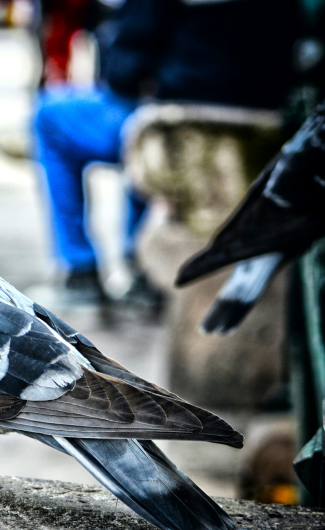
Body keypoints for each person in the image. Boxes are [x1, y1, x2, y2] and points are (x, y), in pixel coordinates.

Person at [33, 0, 299, 305]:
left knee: (50, 116)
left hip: (179, 128)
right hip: (262, 127)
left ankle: (80, 270)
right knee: (143, 114)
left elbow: (125, 71)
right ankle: (137, 267)